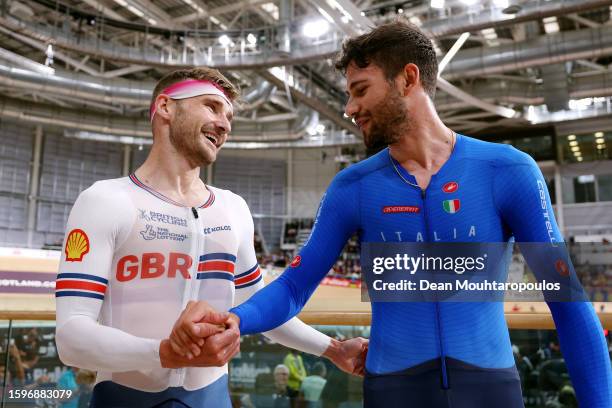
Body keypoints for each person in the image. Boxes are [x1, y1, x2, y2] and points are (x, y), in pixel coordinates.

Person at [214, 21, 611, 407]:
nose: (350, 107)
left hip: (489, 389)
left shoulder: (507, 171)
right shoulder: (353, 187)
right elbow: (294, 286)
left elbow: (569, 304)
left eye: (360, 90)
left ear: (407, 79)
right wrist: (236, 319)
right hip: (394, 389)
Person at [55, 67, 367, 407]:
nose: (225, 124)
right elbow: (71, 337)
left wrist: (333, 349)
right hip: (124, 397)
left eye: (229, 116)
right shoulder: (105, 201)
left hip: (213, 397)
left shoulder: (233, 209)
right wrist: (164, 352)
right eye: (212, 106)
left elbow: (261, 314)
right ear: (165, 107)